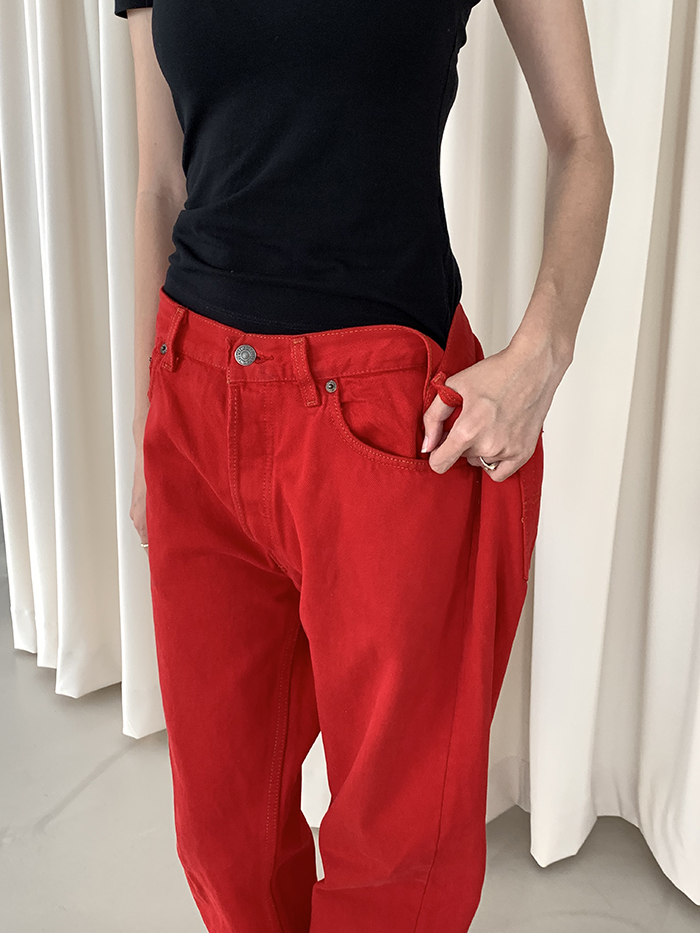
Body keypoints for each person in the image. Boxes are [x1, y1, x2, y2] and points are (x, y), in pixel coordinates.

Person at [117, 1, 613, 931]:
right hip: (194, 401)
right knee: (223, 837)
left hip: (387, 420)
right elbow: (159, 183)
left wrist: (540, 357)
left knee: (398, 855)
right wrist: (150, 413)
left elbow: (582, 139)